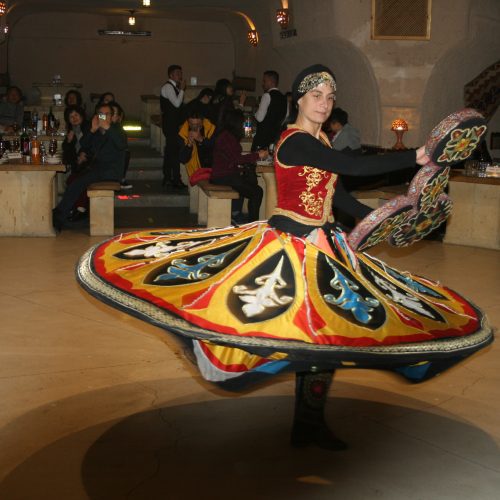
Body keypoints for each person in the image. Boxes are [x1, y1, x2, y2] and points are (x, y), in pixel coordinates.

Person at [77, 65, 493, 451]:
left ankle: (309, 423)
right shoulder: (294, 141)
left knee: (327, 335)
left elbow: (339, 193)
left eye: (331, 96)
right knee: (270, 322)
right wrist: (417, 155)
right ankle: (229, 363)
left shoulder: (321, 140)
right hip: (291, 245)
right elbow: (350, 164)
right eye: (317, 95)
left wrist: (383, 219)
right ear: (299, 99)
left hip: (327, 246)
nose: (325, 103)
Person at [53, 103, 127, 230]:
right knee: (75, 182)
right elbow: (84, 144)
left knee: (78, 182)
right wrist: (92, 130)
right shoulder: (97, 132)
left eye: (106, 114)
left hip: (111, 171)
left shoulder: (117, 129)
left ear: (111, 116)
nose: (103, 117)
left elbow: (121, 144)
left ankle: (59, 214)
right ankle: (61, 213)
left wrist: (108, 128)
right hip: (98, 169)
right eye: (100, 114)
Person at [211, 109, 268, 223]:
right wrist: (257, 155)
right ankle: (252, 223)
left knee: (249, 184)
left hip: (226, 174)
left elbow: (233, 158)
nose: (243, 125)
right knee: (257, 192)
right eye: (242, 122)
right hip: (223, 176)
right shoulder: (226, 137)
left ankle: (236, 214)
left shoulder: (227, 135)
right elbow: (236, 159)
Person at [160, 65, 186, 189]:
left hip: (174, 124)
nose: (180, 75)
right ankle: (173, 179)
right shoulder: (167, 87)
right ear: (170, 75)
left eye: (180, 73)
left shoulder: (174, 87)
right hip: (170, 125)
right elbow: (176, 104)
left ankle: (170, 178)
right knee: (172, 152)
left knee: (172, 152)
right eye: (177, 73)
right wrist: (182, 90)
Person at [252, 70, 287, 151]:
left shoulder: (267, 95)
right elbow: (285, 118)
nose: (262, 83)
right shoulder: (284, 98)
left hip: (263, 138)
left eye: (264, 81)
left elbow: (259, 118)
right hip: (275, 139)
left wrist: (255, 112)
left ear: (271, 81)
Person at [178, 109, 216, 179]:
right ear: (188, 122)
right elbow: (182, 159)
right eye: (192, 124)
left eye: (197, 124)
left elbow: (216, 149)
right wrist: (189, 145)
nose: (194, 127)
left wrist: (201, 139)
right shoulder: (183, 133)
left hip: (211, 168)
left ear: (202, 122)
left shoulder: (211, 128)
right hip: (194, 172)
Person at [109, 101, 132, 190]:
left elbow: (122, 145)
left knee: (124, 153)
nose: (110, 116)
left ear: (119, 117)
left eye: (114, 114)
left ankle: (120, 178)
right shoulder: (98, 125)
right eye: (108, 113)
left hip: (114, 155)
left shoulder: (118, 129)